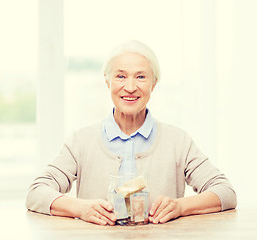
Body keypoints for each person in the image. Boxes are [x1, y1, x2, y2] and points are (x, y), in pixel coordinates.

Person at [26, 40, 237, 226]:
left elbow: (225, 192)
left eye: (141, 77)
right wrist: (81, 208)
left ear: (154, 83)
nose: (130, 87)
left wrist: (181, 207)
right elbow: (37, 192)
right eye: (120, 76)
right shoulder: (81, 141)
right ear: (107, 81)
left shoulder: (178, 141)